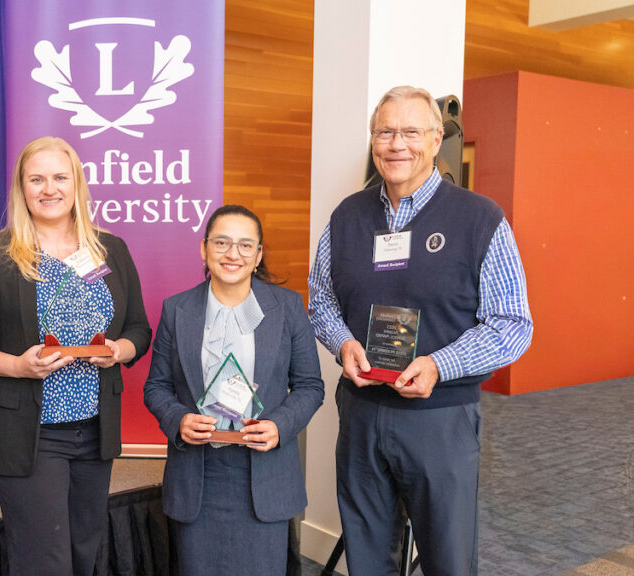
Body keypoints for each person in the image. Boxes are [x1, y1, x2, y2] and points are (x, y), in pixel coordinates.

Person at [308, 85, 533, 575]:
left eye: (411, 132)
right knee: (367, 555)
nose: (397, 144)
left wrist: (439, 365)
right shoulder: (346, 217)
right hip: (362, 411)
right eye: (385, 132)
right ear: (372, 141)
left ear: (435, 140)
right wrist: (343, 343)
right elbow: (320, 298)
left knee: (448, 558)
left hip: (440, 418)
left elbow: (512, 324)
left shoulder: (480, 219)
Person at [0, 136, 151, 576]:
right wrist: (18, 366)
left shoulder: (110, 250)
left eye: (60, 177)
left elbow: (139, 329)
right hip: (29, 434)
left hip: (95, 433)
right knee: (45, 562)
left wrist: (118, 351)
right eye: (36, 179)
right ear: (21, 187)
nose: (49, 189)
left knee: (83, 553)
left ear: (77, 184)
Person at [143, 204, 324, 574]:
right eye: (221, 242)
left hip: (264, 473)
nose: (233, 254)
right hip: (198, 475)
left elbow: (310, 386)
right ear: (204, 249)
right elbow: (156, 387)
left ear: (258, 255)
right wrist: (179, 420)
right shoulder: (176, 309)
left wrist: (279, 426)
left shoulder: (288, 307)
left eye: (245, 245)